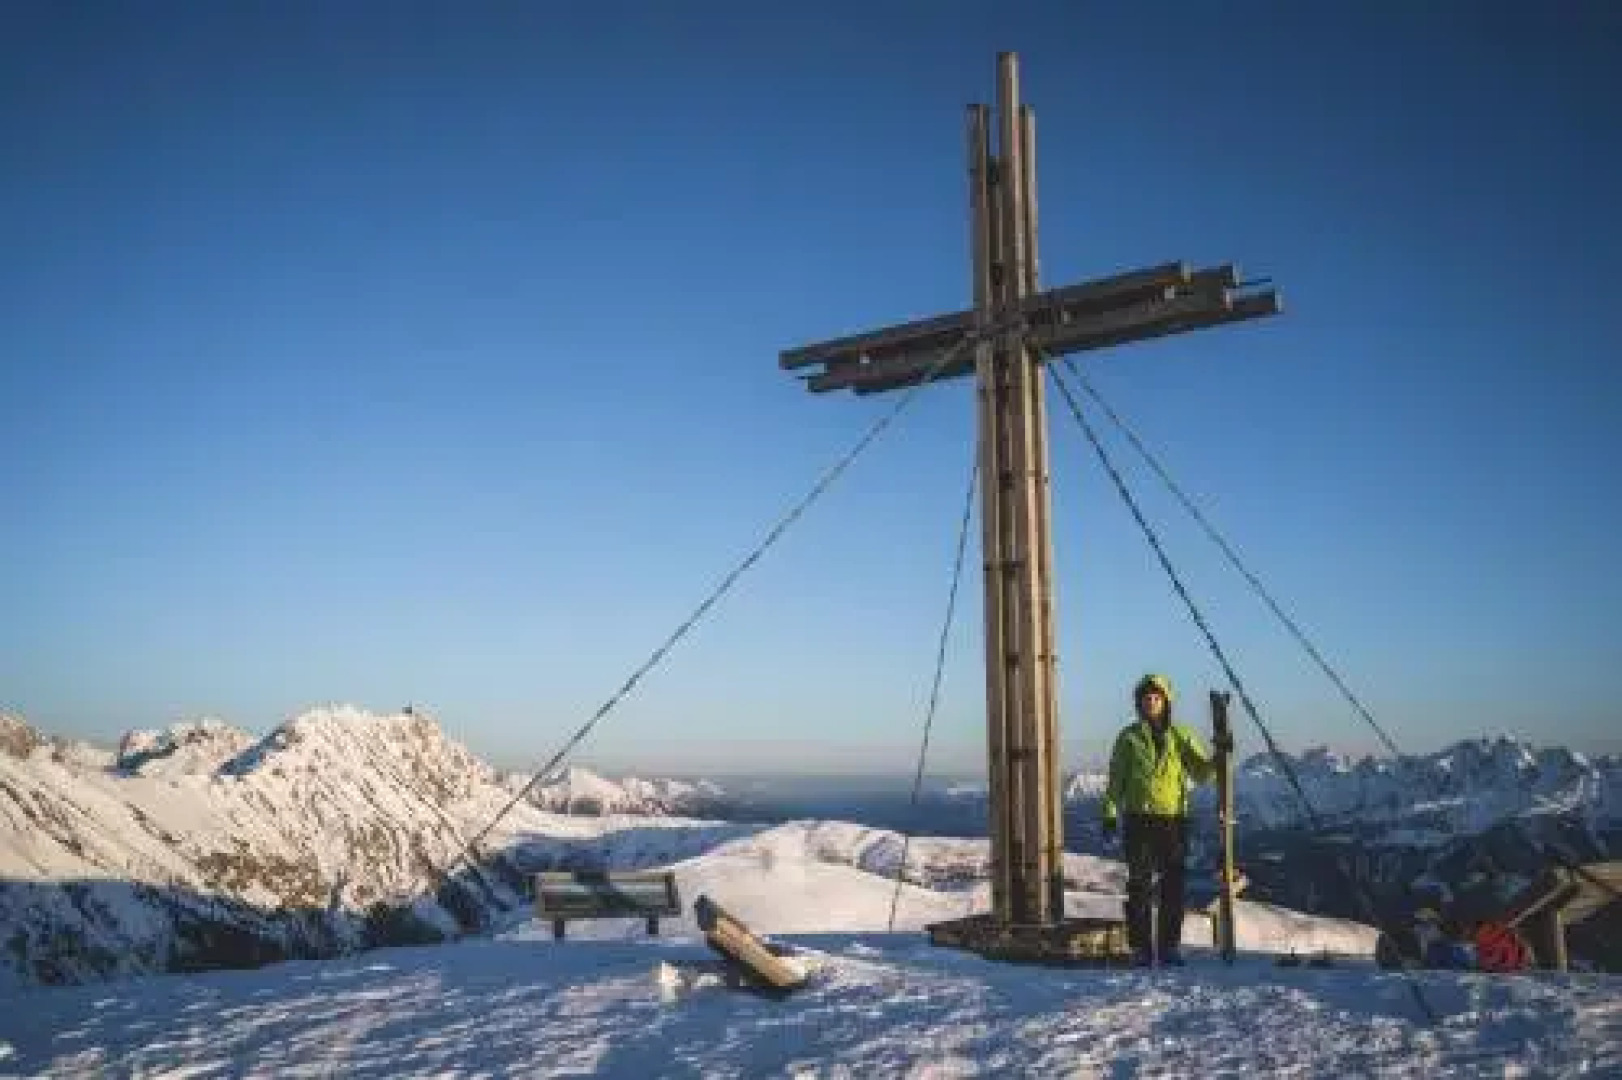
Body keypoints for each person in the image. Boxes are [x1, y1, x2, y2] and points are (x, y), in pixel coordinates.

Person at [1100, 673, 1225, 967]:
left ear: (1166, 701)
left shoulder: (1181, 736)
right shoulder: (1128, 737)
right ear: (1138, 704)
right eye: (1146, 698)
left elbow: (1201, 773)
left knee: (1174, 886)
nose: (1151, 702)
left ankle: (1169, 946)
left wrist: (1219, 756)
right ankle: (1141, 948)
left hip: (1173, 820)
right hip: (1138, 819)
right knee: (1139, 886)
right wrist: (1109, 814)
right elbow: (1116, 780)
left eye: (1156, 698)